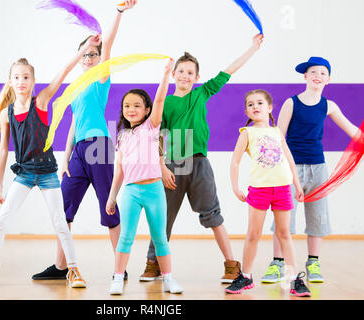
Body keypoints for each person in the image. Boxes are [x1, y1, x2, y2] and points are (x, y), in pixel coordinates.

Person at [0, 39, 101, 288]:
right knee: (1, 221)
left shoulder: (41, 102)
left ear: (33, 81)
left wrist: (83, 51)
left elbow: (62, 73)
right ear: (10, 81)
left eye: (26, 77)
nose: (21, 81)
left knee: (60, 222)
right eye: (17, 77)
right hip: (25, 174)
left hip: (48, 173)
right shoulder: (5, 114)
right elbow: (4, 150)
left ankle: (73, 271)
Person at [140, 34, 263, 284]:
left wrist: (252, 48)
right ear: (174, 74)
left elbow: (229, 70)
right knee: (161, 217)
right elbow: (156, 138)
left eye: (190, 72)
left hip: (199, 164)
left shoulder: (202, 93)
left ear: (197, 78)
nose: (185, 75)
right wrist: (162, 167)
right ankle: (153, 264)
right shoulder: (164, 103)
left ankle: (231, 266)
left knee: (213, 216)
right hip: (172, 166)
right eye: (181, 71)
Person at [32, 0, 137, 281]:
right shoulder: (75, 88)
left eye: (94, 55)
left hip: (100, 148)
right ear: (79, 58)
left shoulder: (101, 78)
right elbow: (74, 124)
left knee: (109, 208)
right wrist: (65, 156)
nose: (89, 59)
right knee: (63, 208)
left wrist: (118, 12)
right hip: (78, 152)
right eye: (85, 55)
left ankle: (120, 269)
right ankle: (60, 267)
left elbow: (109, 44)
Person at [261, 57, 359, 284]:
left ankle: (313, 261)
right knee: (283, 217)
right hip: (290, 168)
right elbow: (279, 135)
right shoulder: (291, 103)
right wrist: (275, 165)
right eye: (313, 72)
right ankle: (277, 262)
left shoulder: (329, 105)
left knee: (318, 216)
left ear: (328, 79)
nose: (318, 76)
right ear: (305, 76)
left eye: (323, 73)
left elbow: (350, 129)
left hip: (318, 169)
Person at [106, 59, 184, 295]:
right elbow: (119, 170)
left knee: (160, 237)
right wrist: (112, 197)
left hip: (154, 191)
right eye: (127, 106)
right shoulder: (121, 136)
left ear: (147, 110)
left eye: (137, 106)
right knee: (126, 237)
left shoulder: (152, 128)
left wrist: (166, 75)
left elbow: (160, 98)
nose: (131, 109)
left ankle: (168, 278)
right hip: (131, 192)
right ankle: (118, 277)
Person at [225, 89, 311, 297]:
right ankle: (245, 275)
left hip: (282, 189)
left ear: (269, 107)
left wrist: (298, 186)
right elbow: (235, 161)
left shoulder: (277, 132)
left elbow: (290, 159)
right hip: (259, 190)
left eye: (260, 103)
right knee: (253, 234)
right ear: (246, 110)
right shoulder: (247, 133)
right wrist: (235, 187)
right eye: (251, 104)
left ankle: (293, 278)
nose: (256, 107)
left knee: (284, 234)